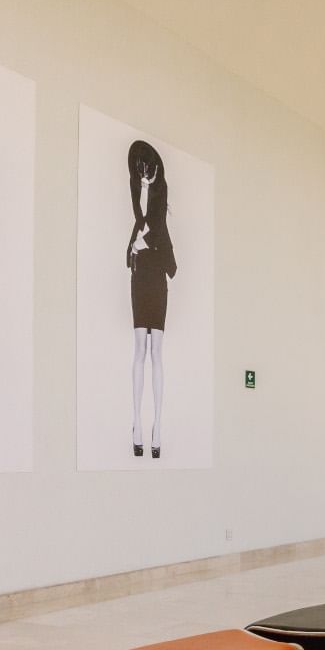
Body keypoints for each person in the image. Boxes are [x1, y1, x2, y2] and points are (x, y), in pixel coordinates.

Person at [126, 140, 176, 459]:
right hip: (141, 272)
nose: (145, 176)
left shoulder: (161, 191)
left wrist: (140, 244)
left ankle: (156, 425)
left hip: (155, 272)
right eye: (141, 170)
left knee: (155, 350)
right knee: (140, 349)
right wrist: (135, 247)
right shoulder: (139, 191)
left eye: (148, 170)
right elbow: (142, 226)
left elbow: (155, 228)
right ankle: (137, 423)